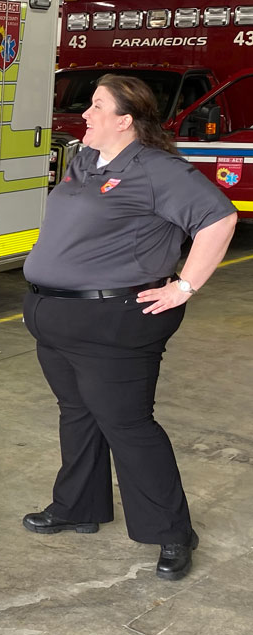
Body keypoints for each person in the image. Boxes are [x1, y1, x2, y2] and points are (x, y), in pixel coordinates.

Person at [21, 74, 237, 580]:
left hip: (114, 320)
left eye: (97, 106)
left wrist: (183, 286)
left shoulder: (158, 169)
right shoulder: (83, 161)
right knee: (77, 413)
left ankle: (172, 531)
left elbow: (218, 220)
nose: (85, 114)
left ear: (126, 119)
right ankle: (77, 506)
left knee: (127, 424)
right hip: (56, 317)